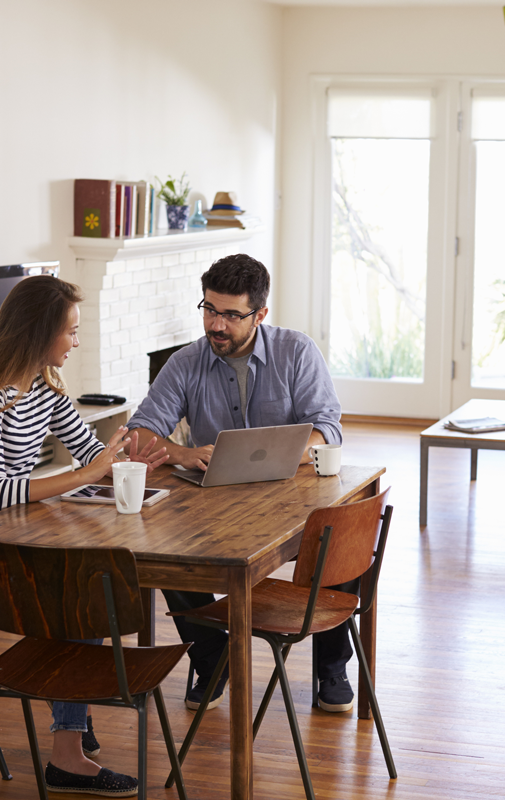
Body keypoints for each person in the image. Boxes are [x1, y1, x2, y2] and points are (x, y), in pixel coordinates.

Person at [0, 275, 167, 797]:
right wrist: (85, 476)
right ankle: (67, 756)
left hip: (5, 537)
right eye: (71, 331)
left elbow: (84, 446)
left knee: (84, 583)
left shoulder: (44, 387)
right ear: (38, 334)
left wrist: (122, 460)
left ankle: (70, 721)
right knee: (76, 593)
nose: (76, 341)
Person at [127, 253, 356, 713]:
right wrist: (184, 454)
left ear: (260, 315)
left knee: (340, 532)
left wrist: (290, 452)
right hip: (213, 501)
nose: (217, 324)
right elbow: (140, 434)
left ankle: (332, 664)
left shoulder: (297, 351)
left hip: (293, 492)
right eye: (210, 309)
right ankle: (211, 656)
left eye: (232, 315)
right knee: (163, 547)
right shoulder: (185, 362)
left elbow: (327, 426)